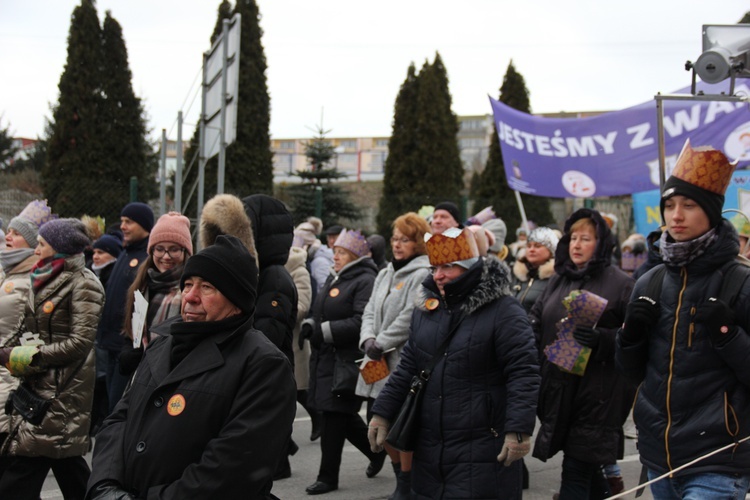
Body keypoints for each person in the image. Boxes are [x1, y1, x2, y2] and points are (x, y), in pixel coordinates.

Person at [86, 235, 297, 499]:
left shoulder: (263, 365)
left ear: (237, 302)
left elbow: (232, 469)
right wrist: (105, 485)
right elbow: (118, 419)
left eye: (207, 287)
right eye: (187, 284)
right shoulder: (161, 346)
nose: (190, 297)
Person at [616, 142, 750, 498]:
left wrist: (726, 333)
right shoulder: (651, 280)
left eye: (689, 205)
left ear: (711, 213)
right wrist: (630, 335)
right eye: (670, 206)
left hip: (720, 459)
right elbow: (631, 372)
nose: (676, 215)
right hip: (660, 457)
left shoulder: (742, 281)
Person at [367, 227, 540, 499]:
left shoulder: (504, 311)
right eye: (435, 267)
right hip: (430, 446)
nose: (439, 275)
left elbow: (523, 373)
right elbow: (409, 366)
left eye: (449, 266)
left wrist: (518, 430)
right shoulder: (426, 310)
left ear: (470, 268)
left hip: (483, 445)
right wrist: (382, 413)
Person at [529, 208, 635, 499]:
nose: (576, 244)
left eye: (585, 238)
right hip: (560, 388)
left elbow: (638, 338)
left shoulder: (622, 284)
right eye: (572, 237)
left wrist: (604, 340)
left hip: (599, 396)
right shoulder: (559, 280)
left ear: (601, 243)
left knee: (575, 471)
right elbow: (537, 320)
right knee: (585, 470)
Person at [0, 218, 104, 499]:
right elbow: (27, 327)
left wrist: (25, 358)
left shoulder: (85, 285)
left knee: (26, 466)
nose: (36, 250)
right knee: (65, 462)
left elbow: (79, 344)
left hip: (64, 387)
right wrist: (7, 352)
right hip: (42, 384)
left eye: (42, 245)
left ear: (59, 248)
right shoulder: (46, 276)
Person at [300, 229, 385, 495]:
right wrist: (311, 323)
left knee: (334, 416)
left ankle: (327, 477)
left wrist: (324, 330)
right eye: (335, 251)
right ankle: (377, 451)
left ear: (355, 256)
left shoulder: (365, 279)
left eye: (341, 252)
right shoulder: (336, 276)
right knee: (340, 415)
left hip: (348, 360)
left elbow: (362, 320)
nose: (334, 256)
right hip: (328, 359)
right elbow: (320, 308)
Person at [356, 213, 431, 499]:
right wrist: (368, 339)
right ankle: (400, 477)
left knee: (402, 425)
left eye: (406, 240)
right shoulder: (385, 272)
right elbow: (370, 310)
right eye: (395, 239)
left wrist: (383, 341)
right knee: (377, 418)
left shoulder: (423, 273)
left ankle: (406, 485)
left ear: (418, 243)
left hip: (401, 362)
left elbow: (410, 315)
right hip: (376, 360)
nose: (398, 245)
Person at [0, 200, 53, 482]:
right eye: (7, 231)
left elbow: (35, 339)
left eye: (16, 233)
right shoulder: (9, 273)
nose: (8, 236)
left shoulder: (33, 279)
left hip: (10, 385)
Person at [119, 212, 193, 376]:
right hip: (141, 377)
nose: (166, 257)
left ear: (185, 252)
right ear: (151, 251)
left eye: (174, 250)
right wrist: (128, 352)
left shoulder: (191, 292)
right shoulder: (142, 286)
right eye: (159, 249)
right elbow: (132, 333)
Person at [97, 202, 154, 412]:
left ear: (144, 225)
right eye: (122, 221)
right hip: (110, 346)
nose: (123, 226)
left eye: (128, 222)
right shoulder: (125, 253)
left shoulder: (145, 258)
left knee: (118, 408)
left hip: (126, 349)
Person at [286, 241, 320, 442]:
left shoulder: (299, 271)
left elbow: (303, 305)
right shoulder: (266, 266)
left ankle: (318, 417)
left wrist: (277, 311)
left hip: (293, 338)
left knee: (298, 390)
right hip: (275, 337)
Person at [512, 226, 559, 312]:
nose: (532, 250)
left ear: (551, 250)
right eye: (529, 246)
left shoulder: (556, 278)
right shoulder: (515, 275)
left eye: (537, 246)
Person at [310, 224, 341, 294]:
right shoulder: (321, 261)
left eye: (335, 238)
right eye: (330, 238)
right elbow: (325, 287)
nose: (331, 241)